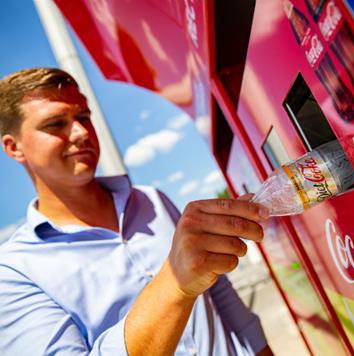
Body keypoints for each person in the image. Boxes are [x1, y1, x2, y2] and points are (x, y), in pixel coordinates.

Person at [0, 68, 274, 356]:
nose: (81, 132)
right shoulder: (13, 272)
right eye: (55, 124)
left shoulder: (152, 200)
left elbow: (218, 294)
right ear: (13, 147)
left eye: (84, 117)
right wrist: (175, 283)